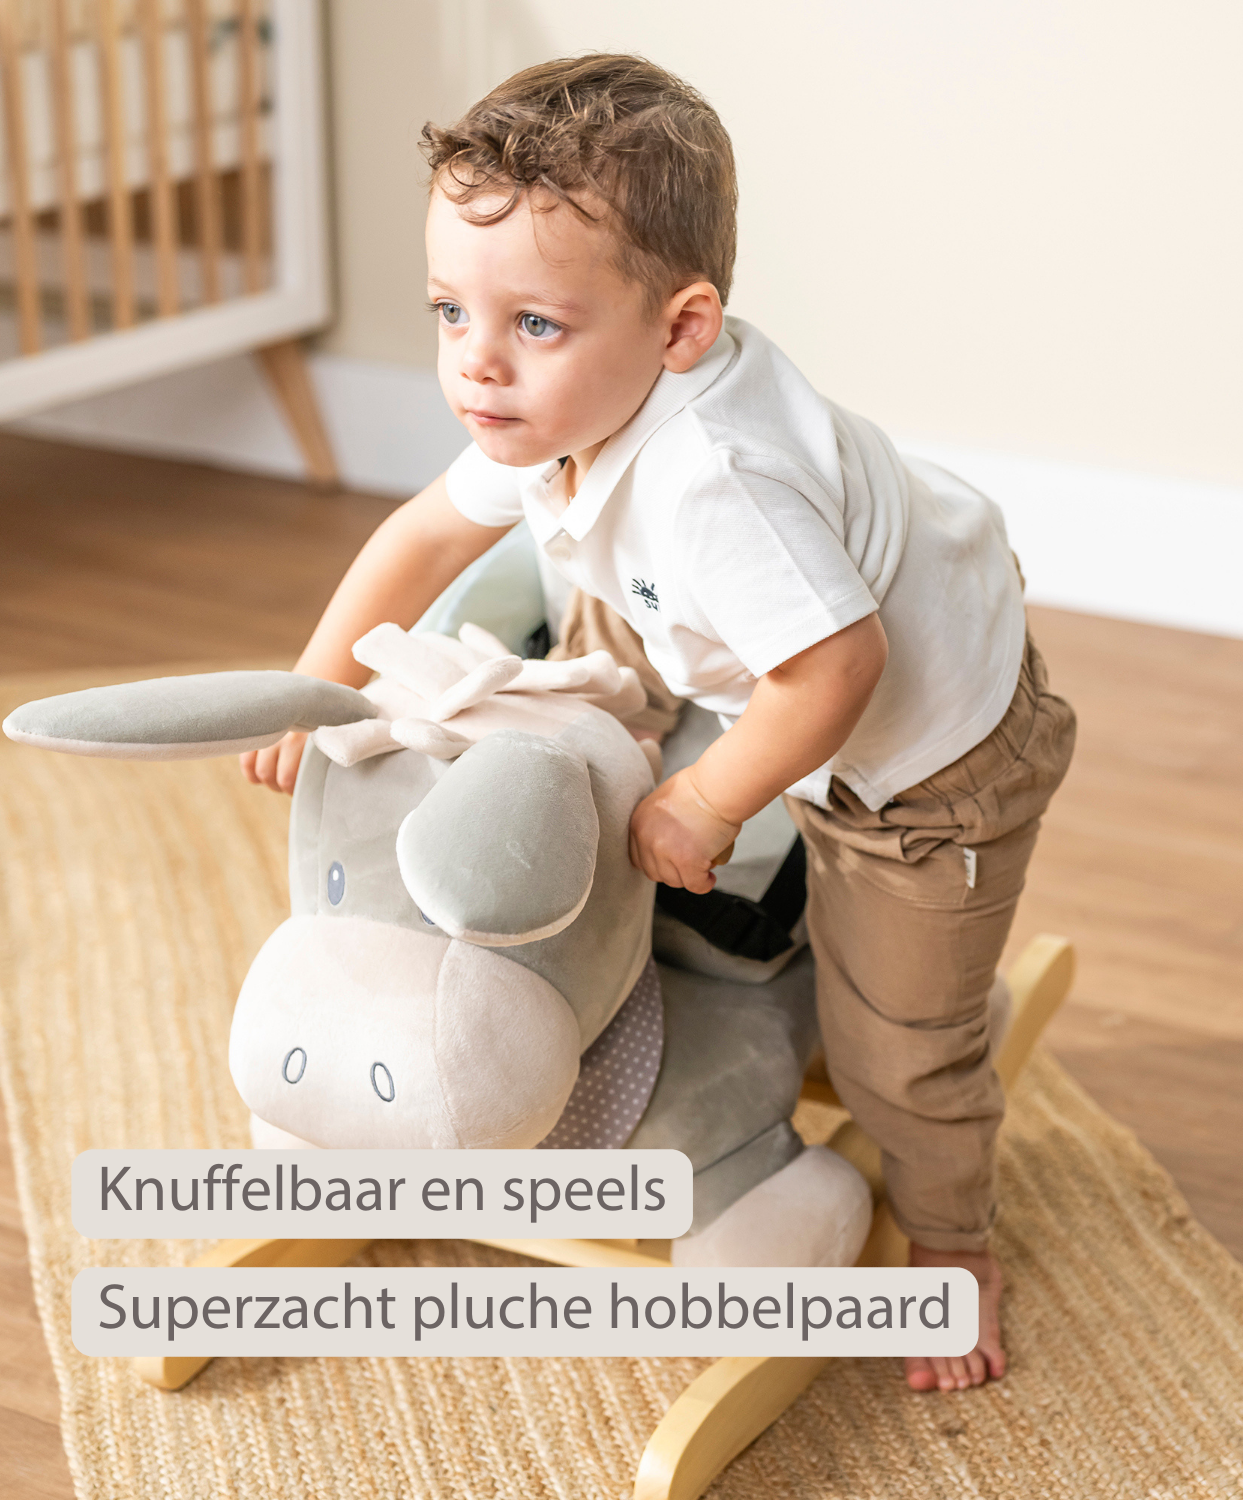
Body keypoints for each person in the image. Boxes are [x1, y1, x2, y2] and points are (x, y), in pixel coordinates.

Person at [242, 53, 1075, 1393]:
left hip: (922, 752)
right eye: (451, 311)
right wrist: (319, 684)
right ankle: (613, 815)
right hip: (721, 629)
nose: (475, 362)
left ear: (681, 330)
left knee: (898, 1049)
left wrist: (704, 799)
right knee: (576, 633)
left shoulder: (713, 483)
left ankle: (956, 1242)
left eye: (533, 323)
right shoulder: (555, 404)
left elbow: (839, 669)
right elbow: (421, 536)